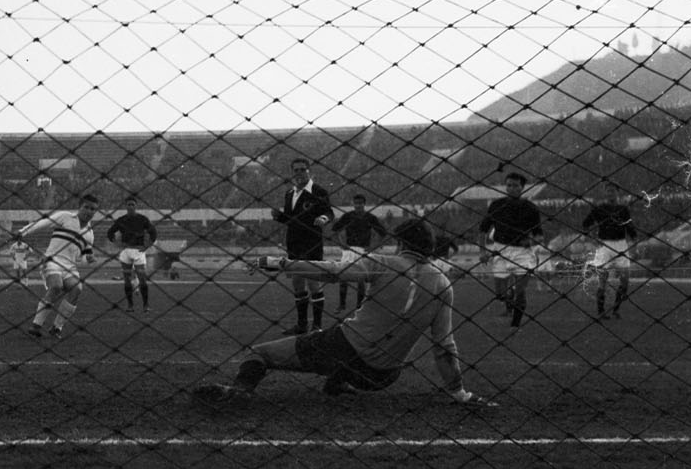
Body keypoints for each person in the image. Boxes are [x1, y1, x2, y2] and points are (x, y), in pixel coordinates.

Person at [194, 217, 490, 406]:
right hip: (383, 376)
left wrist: (279, 262)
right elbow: (444, 346)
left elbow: (333, 273)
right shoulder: (443, 284)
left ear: (400, 243)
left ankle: (239, 392)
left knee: (259, 353)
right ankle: (338, 382)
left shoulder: (383, 263)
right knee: (339, 352)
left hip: (345, 349)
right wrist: (459, 392)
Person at [15, 193, 99, 339]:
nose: (89, 211)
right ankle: (36, 325)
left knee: (77, 289)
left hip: (70, 266)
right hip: (52, 260)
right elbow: (44, 222)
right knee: (56, 286)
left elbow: (84, 258)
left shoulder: (90, 234)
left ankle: (56, 328)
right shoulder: (65, 217)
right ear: (79, 207)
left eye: (93, 209)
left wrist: (89, 258)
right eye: (86, 207)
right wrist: (24, 231)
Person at [270, 157, 333, 333]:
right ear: (292, 172)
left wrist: (323, 218)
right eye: (296, 170)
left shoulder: (318, 191)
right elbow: (291, 220)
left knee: (314, 284)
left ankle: (318, 326)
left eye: (302, 169)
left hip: (312, 243)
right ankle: (302, 324)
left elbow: (329, 212)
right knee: (297, 283)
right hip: (294, 243)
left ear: (309, 171)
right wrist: (279, 216)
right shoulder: (289, 193)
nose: (299, 173)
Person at [479, 171, 545, 330]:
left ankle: (515, 325)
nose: (512, 188)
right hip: (500, 251)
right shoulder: (496, 205)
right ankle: (510, 296)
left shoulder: (531, 208)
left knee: (520, 292)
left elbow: (540, 236)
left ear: (522, 188)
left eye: (515, 185)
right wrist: (482, 251)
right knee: (500, 294)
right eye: (509, 185)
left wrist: (530, 241)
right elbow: (482, 230)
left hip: (522, 253)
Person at [581, 184, 639, 320]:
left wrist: (635, 242)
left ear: (618, 193)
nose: (610, 194)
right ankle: (601, 311)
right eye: (608, 191)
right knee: (603, 280)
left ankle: (615, 309)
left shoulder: (623, 209)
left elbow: (630, 227)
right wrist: (592, 240)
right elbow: (585, 224)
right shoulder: (599, 208)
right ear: (605, 193)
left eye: (613, 191)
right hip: (604, 246)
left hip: (621, 245)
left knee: (625, 280)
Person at [331, 194, 388, 313]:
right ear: (353, 204)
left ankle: (359, 306)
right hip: (348, 250)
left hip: (362, 250)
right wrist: (341, 244)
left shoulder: (370, 217)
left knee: (360, 280)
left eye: (360, 203)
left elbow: (383, 233)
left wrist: (373, 248)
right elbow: (334, 231)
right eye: (356, 203)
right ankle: (342, 305)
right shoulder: (348, 216)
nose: (358, 206)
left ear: (364, 204)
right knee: (343, 278)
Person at [106, 196, 159, 313]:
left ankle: (146, 305)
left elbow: (153, 232)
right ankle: (130, 305)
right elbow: (110, 232)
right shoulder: (121, 220)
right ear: (126, 206)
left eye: (132, 205)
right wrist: (116, 243)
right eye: (128, 204)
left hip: (138, 251)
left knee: (142, 279)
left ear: (136, 206)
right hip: (125, 252)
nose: (130, 206)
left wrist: (147, 246)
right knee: (127, 280)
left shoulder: (142, 219)